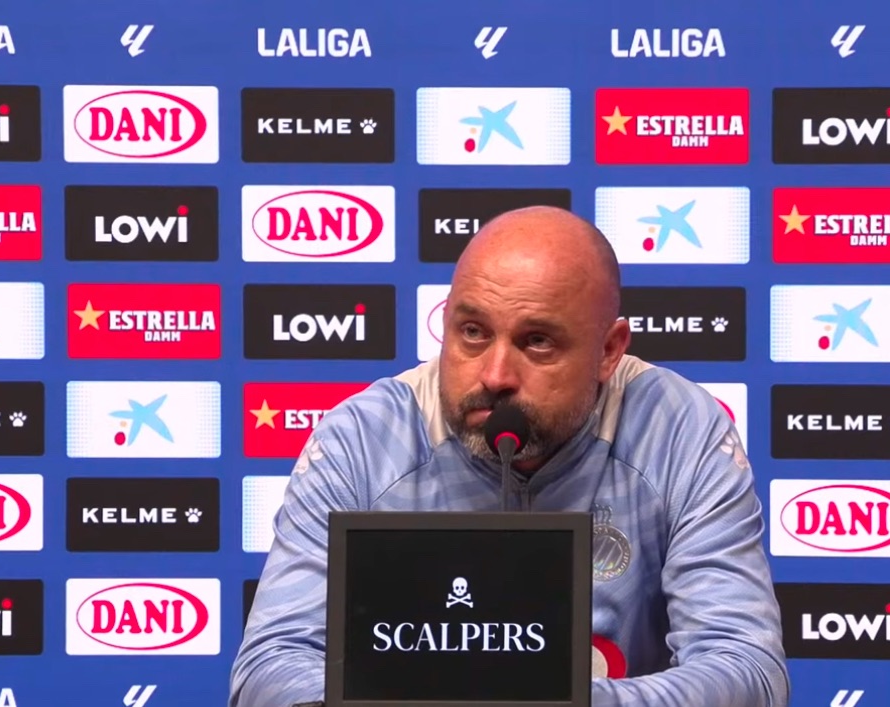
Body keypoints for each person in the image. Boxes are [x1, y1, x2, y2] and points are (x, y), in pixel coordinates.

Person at [229, 206, 789, 707]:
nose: (494, 375)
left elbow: (748, 670)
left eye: (537, 341)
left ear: (609, 350)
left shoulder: (677, 428)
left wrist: (550, 701)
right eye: (472, 332)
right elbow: (269, 667)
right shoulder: (364, 439)